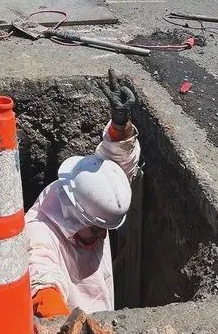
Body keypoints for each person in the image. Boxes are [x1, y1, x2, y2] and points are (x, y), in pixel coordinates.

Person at [25, 69, 141, 318]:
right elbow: (40, 276)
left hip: (104, 315)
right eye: (97, 228)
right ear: (75, 215)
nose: (103, 235)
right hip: (70, 327)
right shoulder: (39, 233)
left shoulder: (91, 199)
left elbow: (114, 170)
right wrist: (63, 322)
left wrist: (120, 128)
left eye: (105, 228)